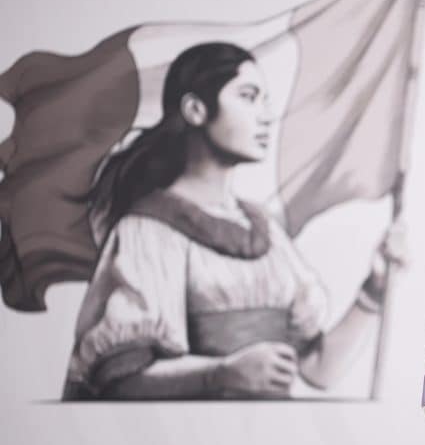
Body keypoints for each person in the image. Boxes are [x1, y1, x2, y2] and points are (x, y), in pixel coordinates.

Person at [63, 42, 396, 400]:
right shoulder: (148, 230)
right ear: (195, 109)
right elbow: (121, 380)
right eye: (248, 97)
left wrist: (373, 289)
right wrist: (222, 374)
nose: (266, 115)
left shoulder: (265, 231)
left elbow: (318, 369)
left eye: (265, 100)